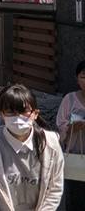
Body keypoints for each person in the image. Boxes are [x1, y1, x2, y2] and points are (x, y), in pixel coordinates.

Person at [0, 84, 64, 211]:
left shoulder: (50, 144)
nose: (18, 118)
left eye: (24, 111)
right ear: (1, 114)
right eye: (10, 112)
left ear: (35, 113)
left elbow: (55, 188)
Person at [56, 60, 85, 210]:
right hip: (75, 156)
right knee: (75, 197)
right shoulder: (70, 99)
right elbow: (60, 124)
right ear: (77, 78)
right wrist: (71, 127)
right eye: (83, 76)